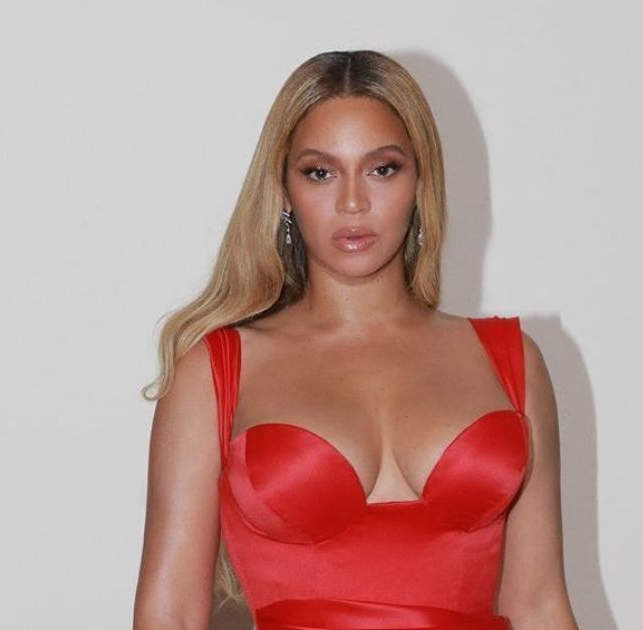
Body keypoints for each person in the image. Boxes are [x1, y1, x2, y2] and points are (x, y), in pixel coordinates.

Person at [133, 49, 577, 630]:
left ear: (421, 181)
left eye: (382, 169)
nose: (352, 203)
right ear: (284, 190)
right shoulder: (214, 373)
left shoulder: (512, 362)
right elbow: (170, 616)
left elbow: (540, 606)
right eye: (320, 172)